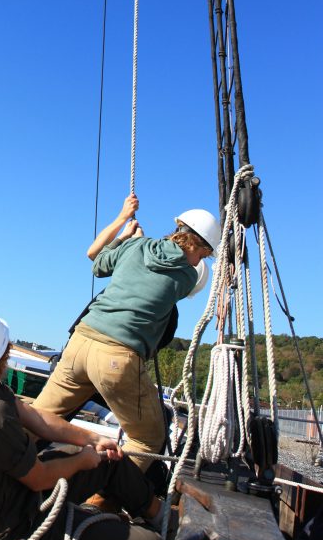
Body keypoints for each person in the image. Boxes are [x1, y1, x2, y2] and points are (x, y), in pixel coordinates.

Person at [0, 307, 165, 540]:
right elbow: (39, 479)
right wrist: (82, 461)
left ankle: (158, 515)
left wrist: (92, 439)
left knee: (111, 458)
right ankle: (154, 531)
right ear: (3, 355)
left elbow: (36, 418)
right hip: (23, 521)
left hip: (21, 489)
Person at [34, 196, 221, 472]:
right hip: (116, 357)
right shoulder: (187, 277)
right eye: (202, 256)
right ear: (197, 245)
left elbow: (97, 263)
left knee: (37, 419)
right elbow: (168, 272)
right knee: (148, 438)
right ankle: (101, 493)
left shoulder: (137, 246)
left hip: (80, 342)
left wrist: (127, 238)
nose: (198, 263)